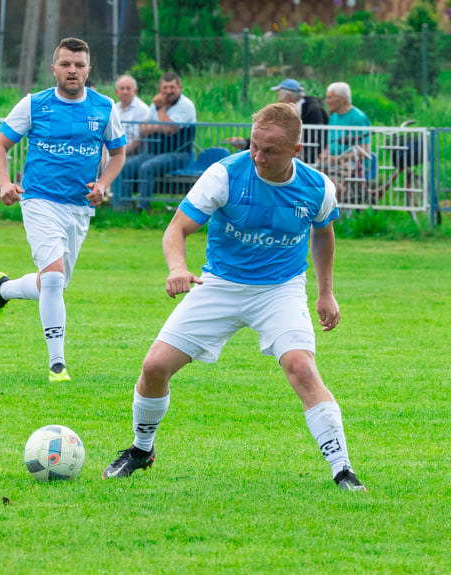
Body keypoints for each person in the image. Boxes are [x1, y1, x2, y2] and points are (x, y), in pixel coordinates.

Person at [102, 103, 366, 492]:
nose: (258, 156)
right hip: (220, 285)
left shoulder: (317, 187)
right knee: (155, 366)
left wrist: (325, 293)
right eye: (254, 145)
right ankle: (142, 451)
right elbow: (176, 229)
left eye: (270, 151)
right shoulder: (225, 174)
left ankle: (343, 470)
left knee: (301, 367)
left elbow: (323, 232)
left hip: (280, 290)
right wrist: (177, 268)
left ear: (296, 150)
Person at [0, 37, 127, 383]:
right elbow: (0, 145)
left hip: (78, 208)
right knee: (52, 277)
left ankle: (3, 290)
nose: (72, 70)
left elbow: (118, 153)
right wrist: (5, 183)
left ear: (88, 70)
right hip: (38, 200)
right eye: (65, 64)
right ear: (54, 69)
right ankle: (57, 364)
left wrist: (102, 184)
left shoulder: (105, 107)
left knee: (54, 284)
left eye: (79, 65)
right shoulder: (34, 105)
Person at [115, 72, 197, 211]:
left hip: (178, 154)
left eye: (172, 87)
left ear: (180, 88)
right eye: (165, 88)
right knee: (122, 166)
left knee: (147, 167)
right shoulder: (155, 105)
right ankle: (121, 208)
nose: (168, 91)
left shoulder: (185, 105)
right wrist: (160, 125)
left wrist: (159, 111)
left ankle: (142, 208)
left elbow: (170, 129)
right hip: (153, 152)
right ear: (160, 89)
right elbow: (142, 129)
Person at [226, 78, 329, 165]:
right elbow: (272, 135)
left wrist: (304, 161)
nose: (279, 100)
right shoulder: (291, 111)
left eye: (280, 96)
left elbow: (317, 137)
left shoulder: (313, 110)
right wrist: (246, 142)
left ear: (288, 97)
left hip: (309, 159)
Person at [317, 82, 372, 203]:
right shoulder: (333, 118)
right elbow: (329, 144)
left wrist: (338, 158)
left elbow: (364, 151)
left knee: (332, 184)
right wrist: (325, 155)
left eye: (329, 97)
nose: (326, 101)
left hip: (351, 164)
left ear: (341, 99)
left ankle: (337, 215)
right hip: (331, 163)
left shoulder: (358, 118)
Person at [114, 74, 151, 156]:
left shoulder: (142, 109)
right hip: (113, 151)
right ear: (116, 92)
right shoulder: (114, 108)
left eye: (128, 88)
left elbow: (138, 140)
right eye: (122, 88)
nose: (125, 92)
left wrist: (117, 155)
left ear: (135, 91)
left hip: (133, 154)